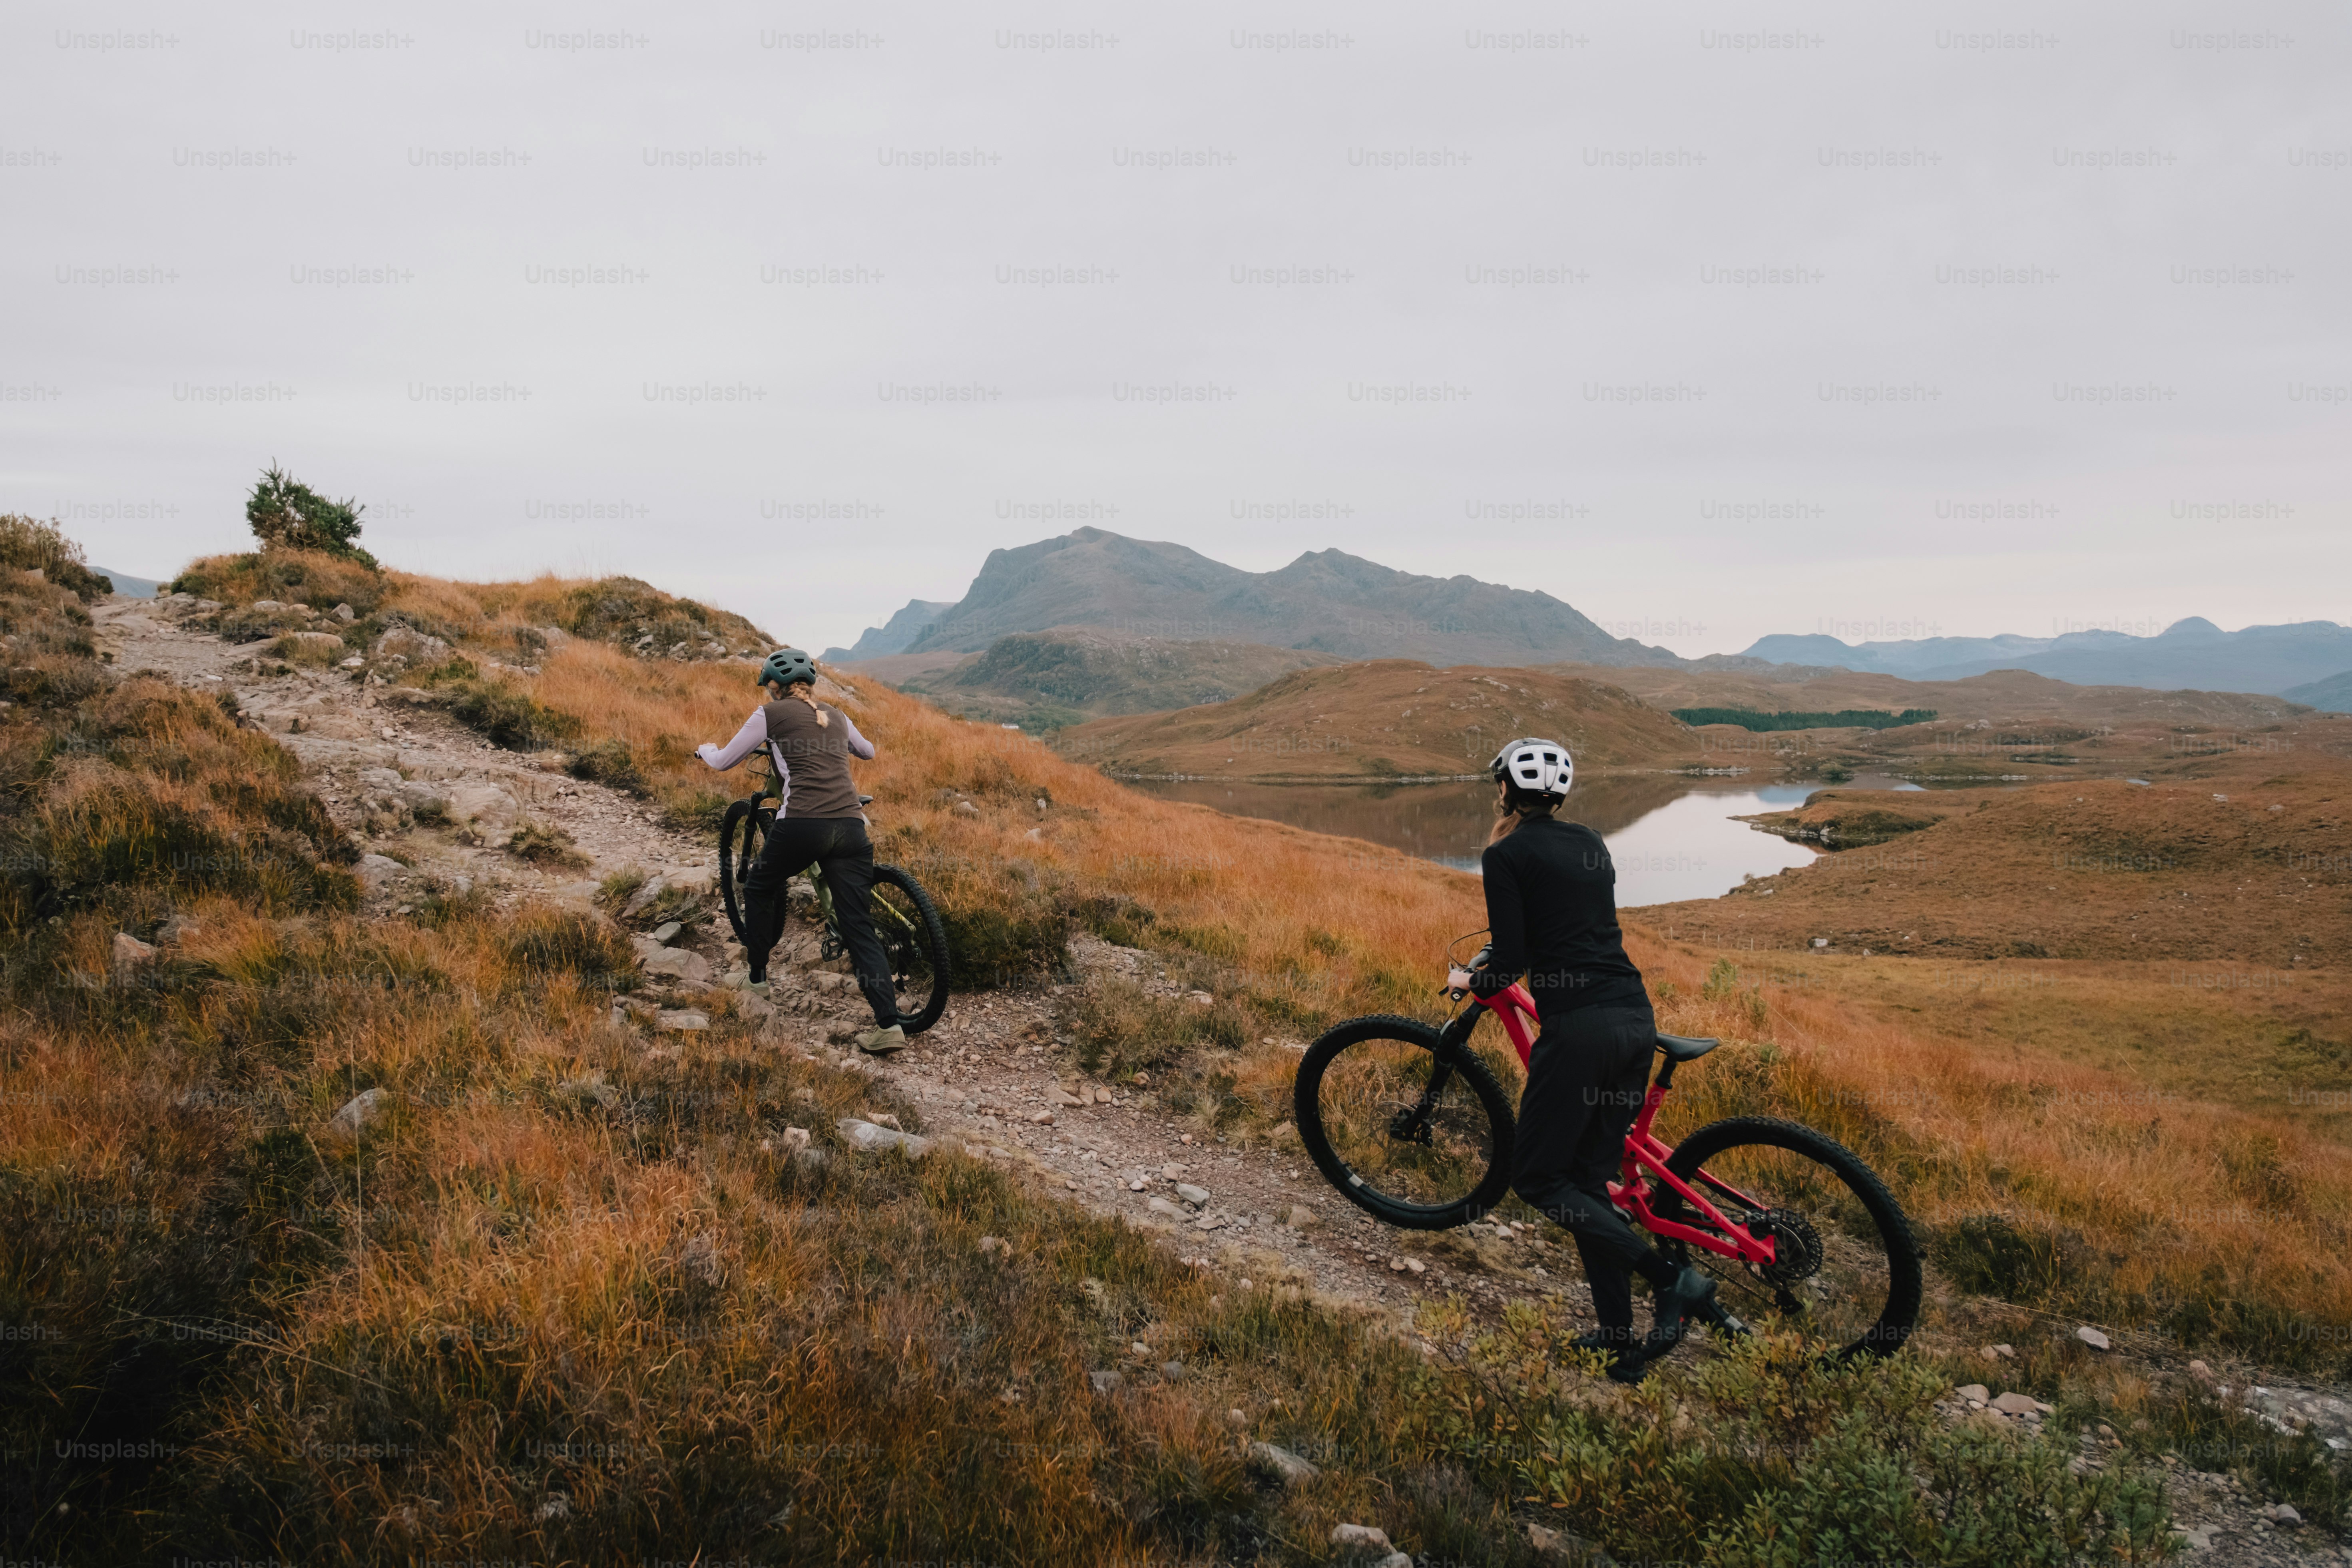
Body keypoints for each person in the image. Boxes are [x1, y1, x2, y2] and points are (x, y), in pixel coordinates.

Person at [1466, 737, 1719, 1384]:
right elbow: (1572, 922)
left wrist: (1477, 980)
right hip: (1634, 1019)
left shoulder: (1506, 853)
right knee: (1588, 1187)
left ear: (1506, 791)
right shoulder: (1593, 842)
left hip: (1577, 1032)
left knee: (1541, 1181)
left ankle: (1672, 1277)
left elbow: (1513, 959)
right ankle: (1619, 1344)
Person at [695, 648, 904, 1054]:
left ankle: (756, 977)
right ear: (810, 683)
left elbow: (724, 761)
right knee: (857, 924)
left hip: (802, 825)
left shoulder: (769, 715)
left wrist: (704, 750)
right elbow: (869, 751)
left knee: (758, 886)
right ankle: (889, 1025)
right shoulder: (838, 715)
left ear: (774, 687)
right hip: (851, 827)